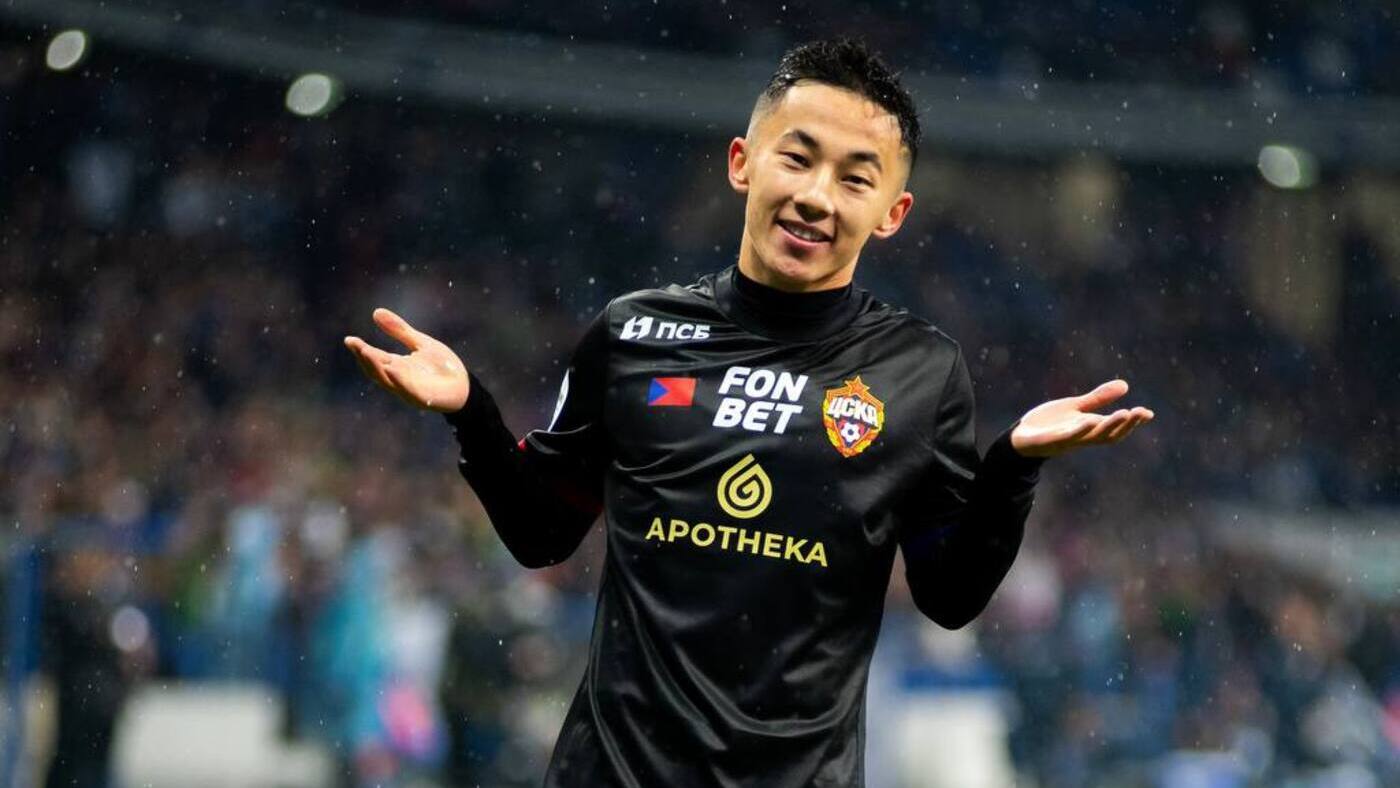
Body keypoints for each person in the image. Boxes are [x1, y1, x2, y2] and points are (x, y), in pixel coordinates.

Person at [344, 37, 1153, 788]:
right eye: (796, 158)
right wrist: (472, 413)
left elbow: (949, 594)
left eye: (855, 178)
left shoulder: (920, 372)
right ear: (743, 162)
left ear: (892, 212)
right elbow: (541, 532)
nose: (815, 196)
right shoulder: (634, 335)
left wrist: (1011, 467)